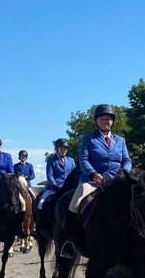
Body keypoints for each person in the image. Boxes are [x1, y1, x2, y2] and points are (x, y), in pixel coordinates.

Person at [59, 104, 132, 258]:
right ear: (97, 121)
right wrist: (93, 174)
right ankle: (69, 242)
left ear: (113, 121)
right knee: (75, 203)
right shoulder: (88, 139)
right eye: (102, 119)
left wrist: (124, 172)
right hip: (92, 181)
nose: (106, 121)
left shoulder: (120, 140)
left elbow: (126, 160)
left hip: (115, 181)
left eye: (109, 119)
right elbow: (83, 159)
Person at [38, 138, 76, 210]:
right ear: (57, 149)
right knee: (41, 204)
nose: (64, 150)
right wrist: (55, 185)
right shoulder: (51, 160)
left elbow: (73, 175)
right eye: (61, 148)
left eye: (65, 148)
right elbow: (50, 175)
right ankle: (40, 221)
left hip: (68, 188)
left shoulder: (71, 161)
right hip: (54, 188)